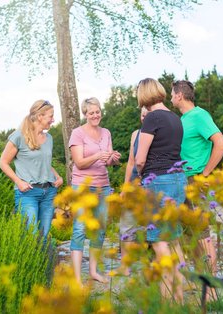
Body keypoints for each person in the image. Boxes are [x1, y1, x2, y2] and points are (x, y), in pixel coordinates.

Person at [171, 80, 223, 300]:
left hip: (195, 180)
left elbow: (221, 143)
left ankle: (212, 289)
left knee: (203, 235)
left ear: (180, 96)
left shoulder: (200, 115)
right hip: (181, 180)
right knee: (190, 235)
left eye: (172, 94)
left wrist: (204, 174)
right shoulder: (183, 119)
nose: (171, 97)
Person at [135, 78, 187, 302]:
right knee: (174, 238)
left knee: (158, 240)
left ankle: (168, 301)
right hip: (178, 179)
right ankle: (179, 297)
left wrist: (139, 175)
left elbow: (139, 158)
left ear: (144, 95)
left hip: (158, 181)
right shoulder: (175, 118)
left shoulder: (152, 118)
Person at [69, 97, 121, 285]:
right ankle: (76, 279)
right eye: (91, 112)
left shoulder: (106, 132)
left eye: (97, 111)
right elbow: (79, 163)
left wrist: (113, 158)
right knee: (80, 229)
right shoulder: (77, 133)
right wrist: (99, 155)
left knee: (100, 230)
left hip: (103, 186)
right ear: (85, 114)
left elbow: (107, 161)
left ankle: (93, 271)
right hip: (82, 186)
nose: (95, 115)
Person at [0, 100, 63, 239]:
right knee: (32, 236)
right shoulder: (18, 136)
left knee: (43, 236)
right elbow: (3, 162)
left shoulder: (49, 138)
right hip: (28, 193)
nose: (53, 120)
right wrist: (18, 182)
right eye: (50, 116)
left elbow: (45, 163)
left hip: (49, 193)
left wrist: (58, 177)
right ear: (40, 116)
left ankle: (44, 261)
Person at [119, 106, 148, 276]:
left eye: (147, 114)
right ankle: (126, 265)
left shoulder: (157, 133)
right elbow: (131, 162)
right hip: (133, 184)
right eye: (142, 114)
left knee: (148, 226)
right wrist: (125, 186)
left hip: (150, 184)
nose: (144, 117)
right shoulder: (135, 134)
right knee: (127, 224)